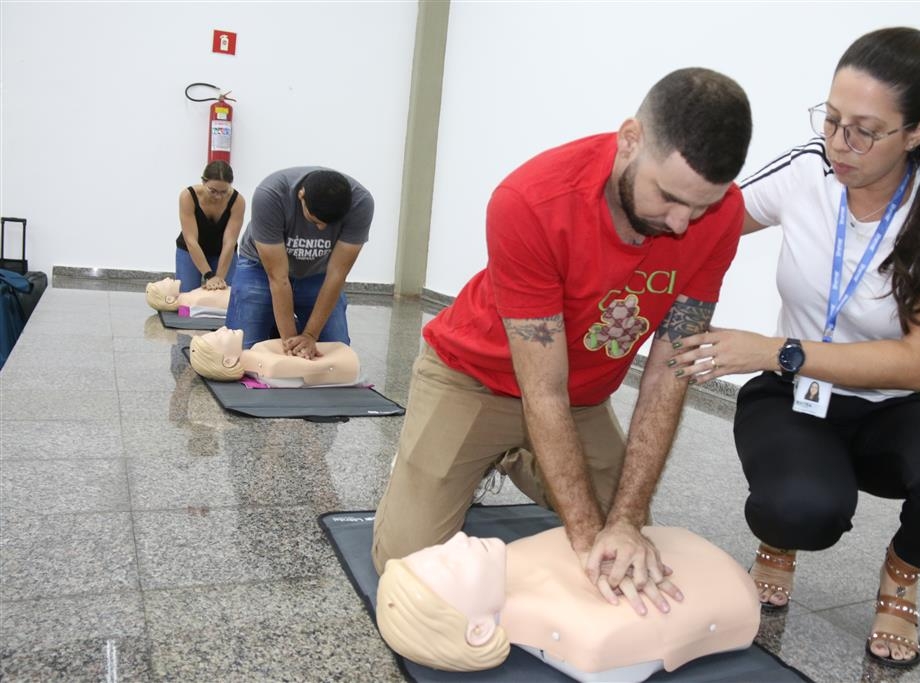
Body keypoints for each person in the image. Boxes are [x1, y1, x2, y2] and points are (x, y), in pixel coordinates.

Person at [671, 25, 920, 668]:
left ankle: (902, 573)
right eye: (831, 119)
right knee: (799, 507)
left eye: (865, 129)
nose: (840, 143)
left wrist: (777, 348)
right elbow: (701, 224)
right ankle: (779, 544)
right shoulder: (810, 167)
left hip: (887, 409)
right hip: (792, 402)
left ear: (917, 132)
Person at [371, 68, 753, 614]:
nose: (682, 223)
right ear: (630, 140)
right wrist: (583, 536)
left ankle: (512, 458)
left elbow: (669, 376)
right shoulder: (531, 200)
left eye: (702, 206)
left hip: (580, 397)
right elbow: (540, 390)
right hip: (472, 378)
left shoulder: (719, 215)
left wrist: (621, 521)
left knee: (629, 531)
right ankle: (465, 456)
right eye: (668, 197)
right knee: (408, 570)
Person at [376, 526, 760, 680]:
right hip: (727, 586)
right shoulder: (591, 636)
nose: (459, 539)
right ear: (478, 629)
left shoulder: (513, 559)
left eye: (441, 548)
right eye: (451, 563)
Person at [225, 167, 373, 359]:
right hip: (260, 269)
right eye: (315, 220)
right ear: (301, 196)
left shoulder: (361, 203)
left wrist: (310, 335)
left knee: (336, 350)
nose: (321, 228)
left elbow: (337, 273)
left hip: (318, 273)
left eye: (329, 224)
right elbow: (278, 277)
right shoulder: (270, 195)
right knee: (241, 351)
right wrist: (291, 343)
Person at [189, 326, 360, 386]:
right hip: (347, 360)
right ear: (228, 361)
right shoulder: (268, 365)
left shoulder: (258, 350)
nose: (223, 328)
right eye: (219, 336)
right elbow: (315, 367)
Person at [176, 160, 246, 291]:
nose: (218, 196)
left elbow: (229, 242)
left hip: (222, 252)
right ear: (203, 182)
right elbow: (191, 240)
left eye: (224, 191)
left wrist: (218, 277)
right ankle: (183, 312)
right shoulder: (188, 197)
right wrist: (209, 275)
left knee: (228, 295)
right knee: (186, 297)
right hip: (190, 250)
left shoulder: (238, 201)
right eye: (213, 191)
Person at [145, 277, 230, 313]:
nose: (167, 278)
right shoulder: (191, 303)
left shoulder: (188, 299)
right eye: (164, 283)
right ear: (169, 299)